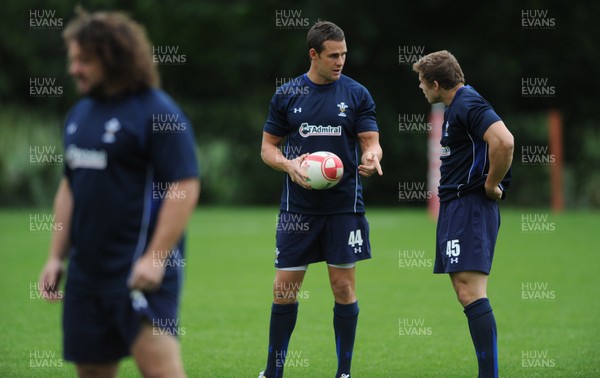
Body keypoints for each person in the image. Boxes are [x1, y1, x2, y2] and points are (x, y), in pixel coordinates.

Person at [37, 8, 200, 378]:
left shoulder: (157, 112)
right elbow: (69, 186)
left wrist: (156, 258)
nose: (74, 69)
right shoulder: (80, 114)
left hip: (138, 272)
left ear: (113, 58)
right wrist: (55, 257)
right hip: (86, 275)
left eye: (84, 61)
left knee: (161, 371)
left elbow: (185, 185)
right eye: (73, 59)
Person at [258, 20, 383, 378]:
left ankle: (343, 373)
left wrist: (373, 156)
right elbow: (268, 147)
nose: (340, 61)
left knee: (342, 287)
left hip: (344, 207)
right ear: (313, 54)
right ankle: (273, 371)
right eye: (333, 55)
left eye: (344, 54)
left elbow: (370, 141)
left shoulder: (357, 94)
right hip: (297, 208)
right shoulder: (287, 94)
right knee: (284, 290)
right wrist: (287, 164)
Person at [412, 50, 514, 377]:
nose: (420, 88)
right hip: (457, 207)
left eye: (422, 82)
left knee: (471, 291)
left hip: (470, 206)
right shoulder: (457, 105)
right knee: (464, 291)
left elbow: (504, 141)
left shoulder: (468, 102)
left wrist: (491, 184)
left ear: (437, 83)